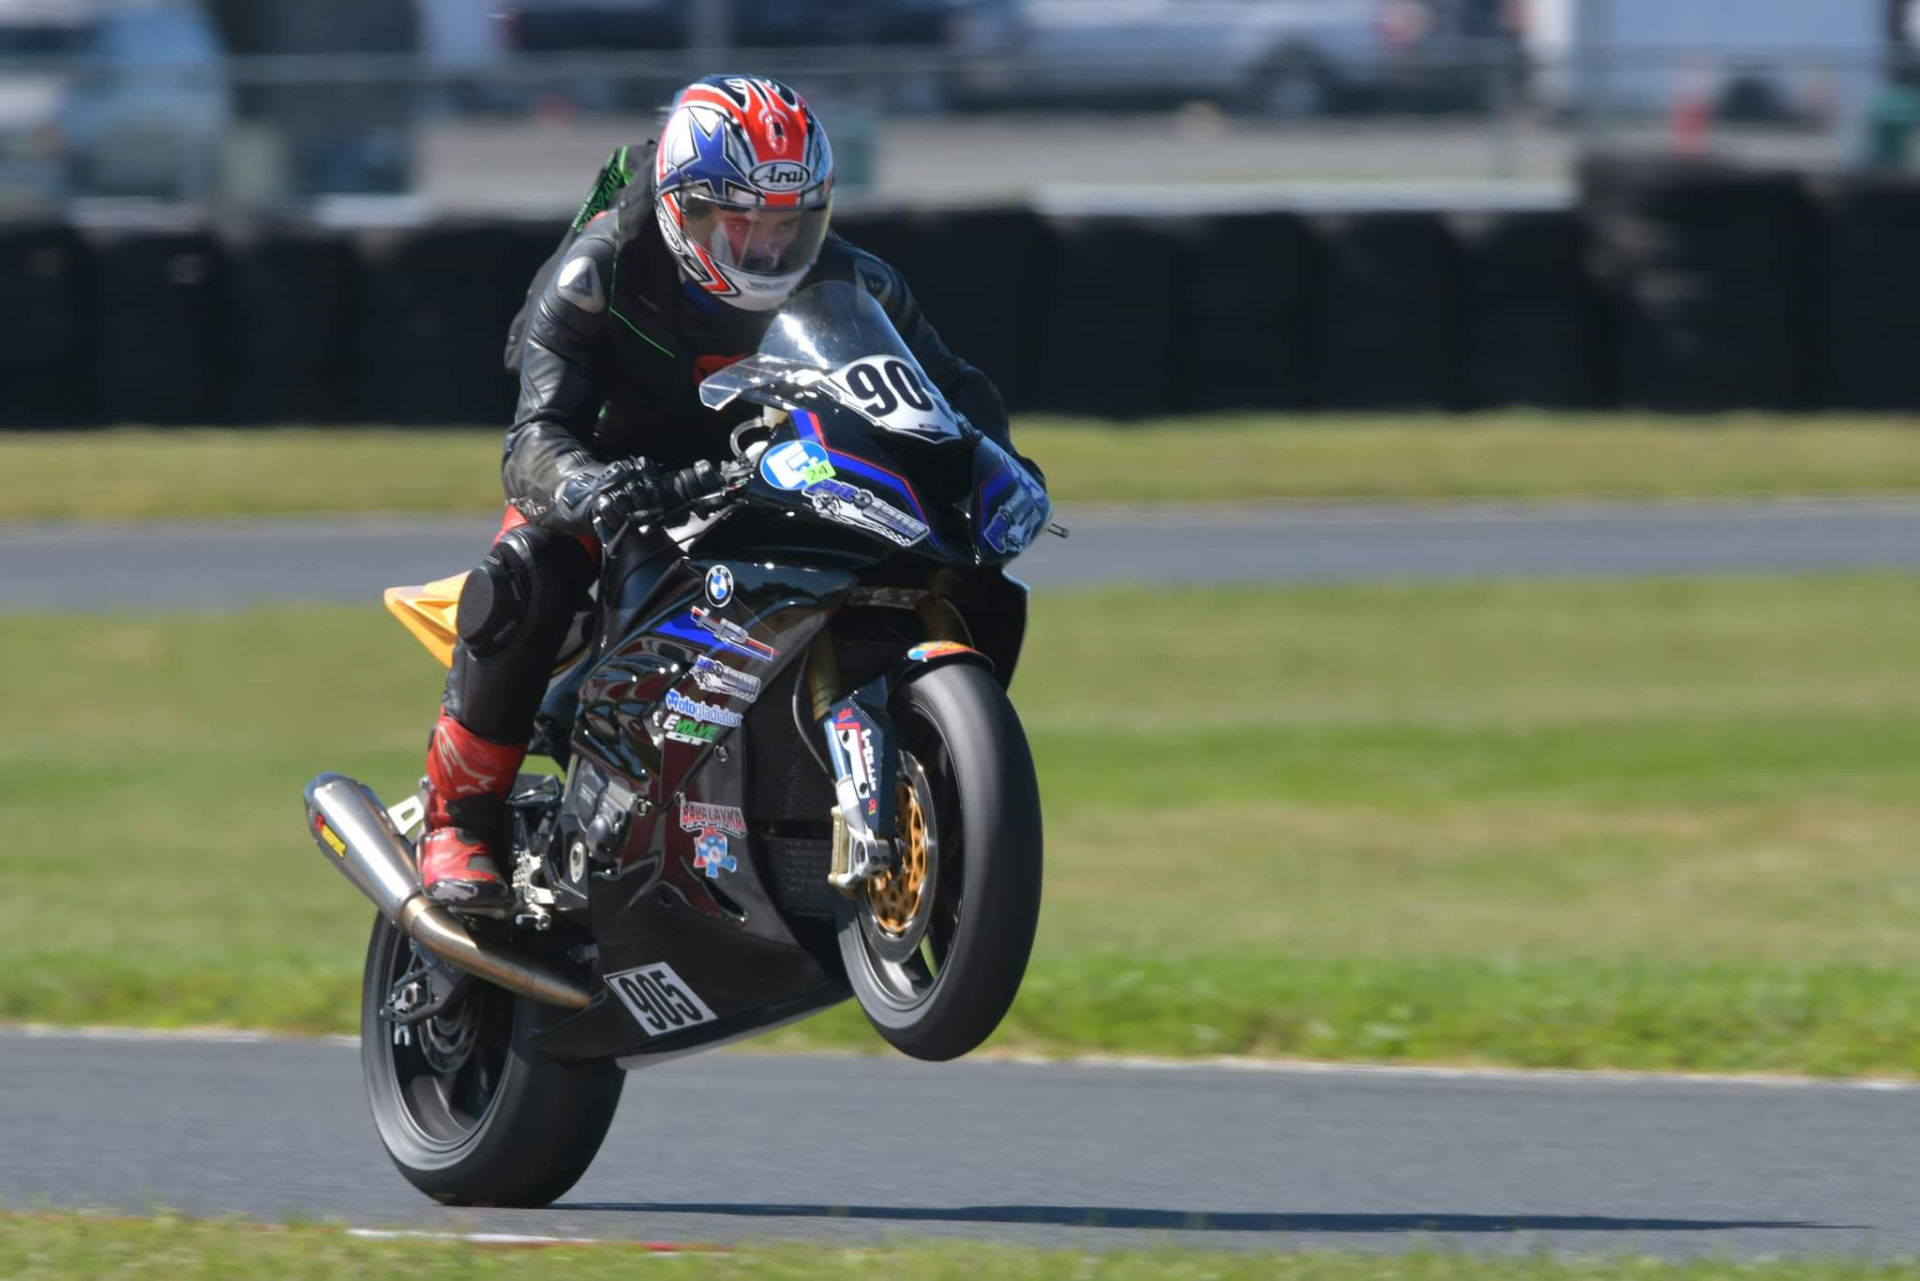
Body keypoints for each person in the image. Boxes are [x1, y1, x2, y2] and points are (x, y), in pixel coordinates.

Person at [418, 74, 1026, 908]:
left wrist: (999, 467)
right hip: (618, 476)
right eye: (743, 225)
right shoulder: (597, 273)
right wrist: (589, 486)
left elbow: (952, 389)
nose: (769, 251)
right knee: (532, 572)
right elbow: (532, 439)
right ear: (683, 209)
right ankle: (459, 823)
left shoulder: (857, 280)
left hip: (758, 469)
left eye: (790, 225)